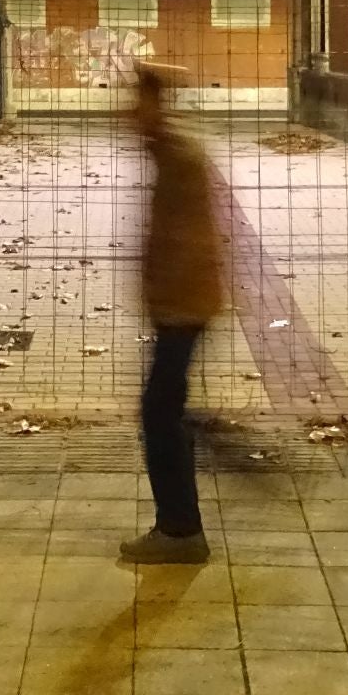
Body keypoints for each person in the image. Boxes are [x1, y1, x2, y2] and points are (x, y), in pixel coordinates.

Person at [119, 62, 227, 565]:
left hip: (183, 306)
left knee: (159, 413)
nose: (125, 113)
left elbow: (188, 242)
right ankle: (180, 526)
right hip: (181, 303)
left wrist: (170, 303)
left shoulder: (180, 155)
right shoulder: (171, 151)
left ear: (153, 104)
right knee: (165, 410)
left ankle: (181, 530)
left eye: (135, 102)